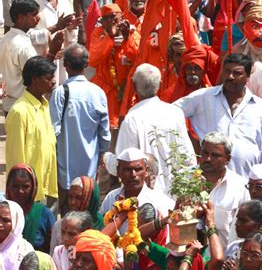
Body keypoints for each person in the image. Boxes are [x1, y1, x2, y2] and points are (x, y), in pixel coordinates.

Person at [174, 53, 262, 178]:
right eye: (227, 71)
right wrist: (188, 140)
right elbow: (170, 112)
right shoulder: (203, 97)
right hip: (210, 181)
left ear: (248, 76)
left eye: (237, 73)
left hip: (247, 182)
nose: (230, 77)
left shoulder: (259, 106)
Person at [116, 63, 196, 194]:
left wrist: (106, 159)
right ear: (160, 84)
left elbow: (125, 162)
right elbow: (187, 156)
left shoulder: (132, 119)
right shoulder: (175, 113)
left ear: (134, 86)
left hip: (147, 196)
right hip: (175, 191)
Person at [49, 44, 110, 215]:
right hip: (89, 171)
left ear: (66, 64)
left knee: (68, 215)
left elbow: (54, 130)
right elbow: (104, 132)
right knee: (87, 215)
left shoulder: (61, 93)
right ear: (86, 64)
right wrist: (102, 154)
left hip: (64, 171)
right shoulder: (98, 93)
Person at [5, 57, 58, 203]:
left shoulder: (44, 106)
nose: (53, 81)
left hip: (47, 188)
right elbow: (16, 157)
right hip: (29, 195)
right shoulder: (19, 112)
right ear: (34, 79)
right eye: (48, 78)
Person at [198, 132, 249, 251]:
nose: (208, 159)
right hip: (185, 260)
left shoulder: (240, 187)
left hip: (222, 262)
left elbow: (245, 230)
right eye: (205, 153)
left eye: (215, 155)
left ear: (228, 159)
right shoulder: (184, 179)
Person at [100, 148, 173, 229]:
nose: (133, 174)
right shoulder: (111, 197)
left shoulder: (159, 202)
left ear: (146, 171)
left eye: (138, 169)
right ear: (119, 172)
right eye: (127, 169)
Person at [5, 165, 55, 253]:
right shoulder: (3, 212)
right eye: (15, 186)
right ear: (8, 187)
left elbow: (53, 246)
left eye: (25, 187)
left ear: (33, 188)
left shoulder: (44, 214)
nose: (20, 191)